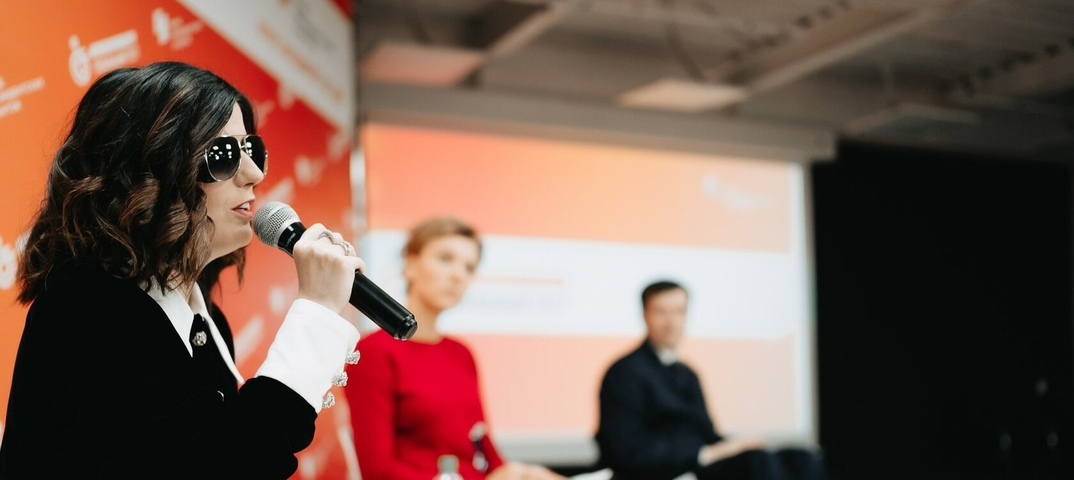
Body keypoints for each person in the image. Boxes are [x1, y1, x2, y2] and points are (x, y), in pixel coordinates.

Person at [0, 62, 364, 479]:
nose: (254, 173)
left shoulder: (205, 322)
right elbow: (222, 463)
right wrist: (315, 313)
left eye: (252, 149)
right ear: (146, 168)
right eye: (224, 154)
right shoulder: (87, 308)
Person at [344, 216, 567, 480]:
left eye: (469, 267)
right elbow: (378, 471)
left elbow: (484, 449)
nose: (458, 275)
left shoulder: (461, 354)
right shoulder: (374, 352)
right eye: (445, 258)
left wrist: (523, 473)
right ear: (411, 264)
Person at [595, 280, 825, 480]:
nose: (671, 321)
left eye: (679, 312)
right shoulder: (624, 373)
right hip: (669, 469)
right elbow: (627, 450)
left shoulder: (687, 374)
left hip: (700, 460)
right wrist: (702, 453)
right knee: (757, 462)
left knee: (802, 459)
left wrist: (734, 445)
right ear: (645, 314)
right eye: (661, 312)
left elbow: (706, 432)